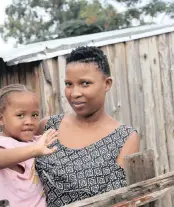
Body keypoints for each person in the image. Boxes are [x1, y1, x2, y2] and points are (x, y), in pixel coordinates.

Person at [35, 46, 140, 207]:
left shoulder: (125, 138)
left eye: (85, 83)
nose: (74, 93)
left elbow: (117, 202)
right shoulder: (48, 127)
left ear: (107, 84)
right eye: (69, 84)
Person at [0, 84, 58, 207]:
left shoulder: (34, 140)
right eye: (20, 115)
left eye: (34, 115)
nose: (29, 121)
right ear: (1, 119)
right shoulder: (2, 143)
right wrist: (34, 150)